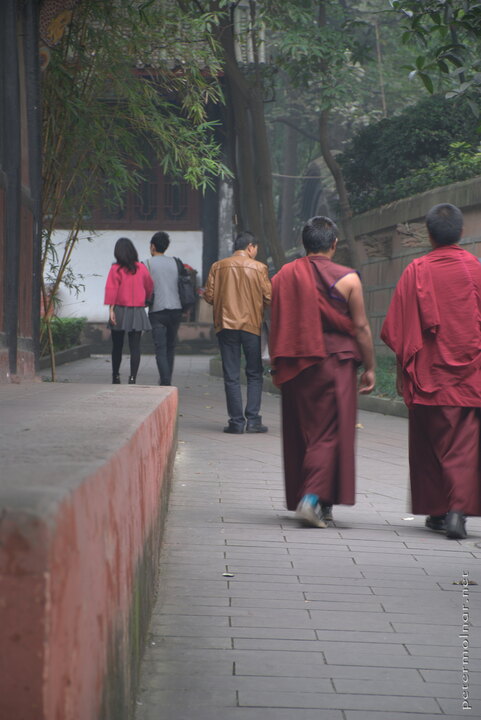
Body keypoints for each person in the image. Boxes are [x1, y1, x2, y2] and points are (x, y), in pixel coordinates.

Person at [381, 203, 481, 540]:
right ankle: (457, 511)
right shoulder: (475, 270)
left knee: (429, 444)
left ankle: (438, 512)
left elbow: (398, 329)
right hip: (469, 376)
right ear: (461, 233)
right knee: (464, 446)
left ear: (428, 234)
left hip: (426, 375)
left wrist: (399, 373)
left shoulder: (416, 270)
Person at [269, 216, 375, 528]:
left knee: (306, 432)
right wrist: (370, 367)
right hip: (335, 363)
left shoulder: (284, 276)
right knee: (330, 433)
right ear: (334, 244)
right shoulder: (349, 279)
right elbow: (360, 327)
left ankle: (322, 503)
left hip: (298, 363)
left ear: (305, 244)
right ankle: (312, 497)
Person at [203, 231, 272, 433]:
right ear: (250, 247)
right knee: (254, 373)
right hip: (251, 326)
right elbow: (269, 296)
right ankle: (253, 420)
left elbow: (208, 296)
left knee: (231, 374)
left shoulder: (218, 266)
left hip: (225, 325)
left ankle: (236, 422)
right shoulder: (259, 268)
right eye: (256, 249)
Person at [104, 237, 153, 384]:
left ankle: (116, 376)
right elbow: (149, 286)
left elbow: (111, 289)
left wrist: (110, 310)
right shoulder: (142, 268)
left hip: (119, 309)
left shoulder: (115, 269)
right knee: (135, 347)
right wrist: (146, 300)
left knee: (117, 346)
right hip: (137, 310)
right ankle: (132, 378)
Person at [144, 231, 183, 386]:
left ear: (153, 246)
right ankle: (167, 380)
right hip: (176, 310)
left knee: (160, 348)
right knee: (170, 347)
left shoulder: (146, 264)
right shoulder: (176, 262)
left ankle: (165, 382)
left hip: (157, 311)